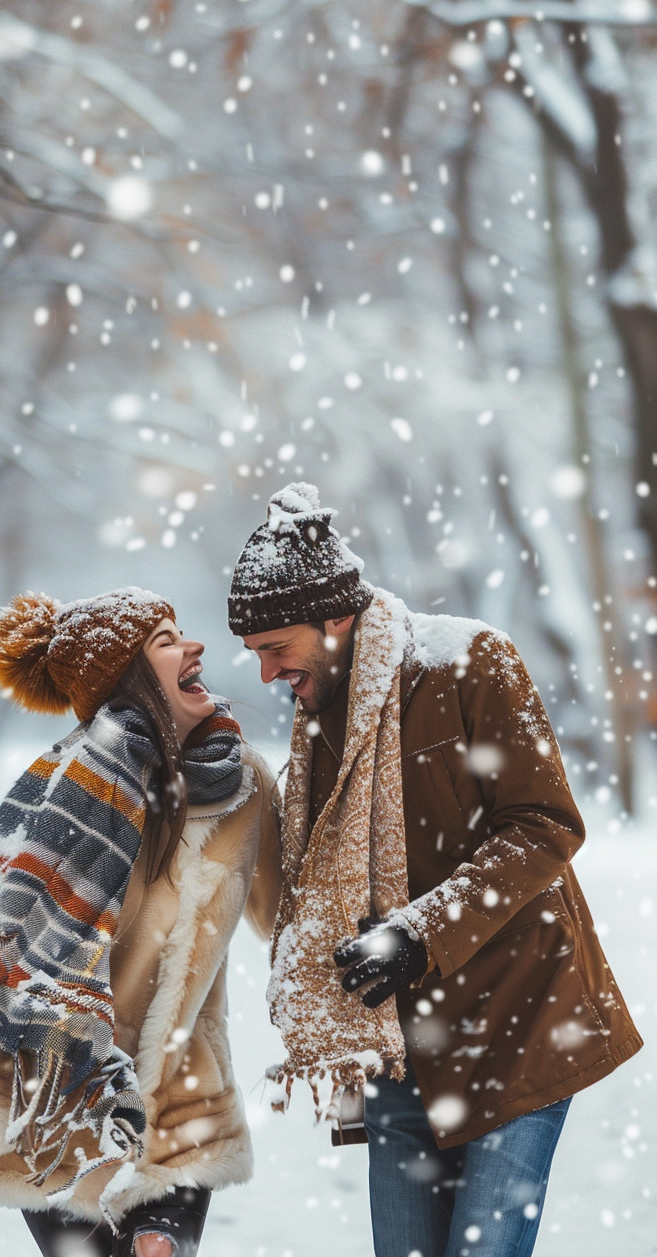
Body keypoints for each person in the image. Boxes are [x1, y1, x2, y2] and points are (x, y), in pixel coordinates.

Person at [227, 482, 642, 1257]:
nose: (266, 675)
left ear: (334, 618)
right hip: (397, 1047)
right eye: (255, 655)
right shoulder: (320, 724)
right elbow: (305, 877)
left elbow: (545, 826)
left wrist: (422, 931)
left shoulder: (468, 663)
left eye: (274, 649)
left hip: (517, 1026)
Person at [0, 588, 282, 1257]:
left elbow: (291, 920)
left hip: (182, 1107)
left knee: (160, 1250)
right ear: (127, 680)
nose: (195, 649)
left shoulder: (244, 785)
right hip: (55, 1105)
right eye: (166, 640)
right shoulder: (64, 797)